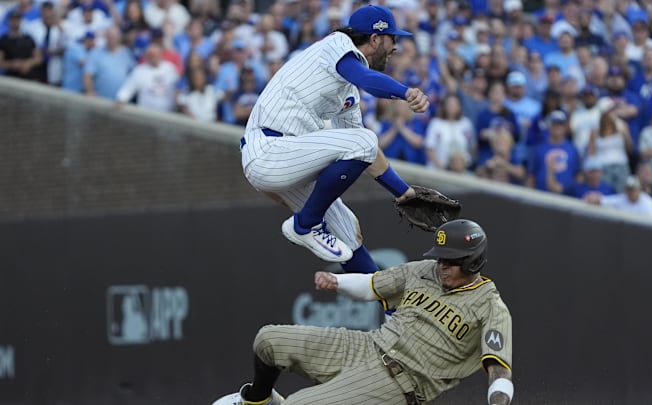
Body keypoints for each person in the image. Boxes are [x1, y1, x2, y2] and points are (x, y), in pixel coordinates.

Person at [211, 219, 514, 405]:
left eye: (450, 261)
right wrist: (338, 282)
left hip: (400, 380)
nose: (441, 265)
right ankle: (258, 401)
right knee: (269, 340)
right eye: (440, 258)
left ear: (473, 262)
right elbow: (373, 285)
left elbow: (499, 369)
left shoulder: (490, 306)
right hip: (368, 346)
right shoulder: (425, 271)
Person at [239, 5, 429, 268]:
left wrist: (404, 193)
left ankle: (391, 308)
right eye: (392, 38)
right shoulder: (336, 44)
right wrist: (405, 92)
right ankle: (306, 224)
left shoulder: (348, 90)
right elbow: (365, 78)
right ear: (375, 39)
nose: (395, 45)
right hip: (269, 148)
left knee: (348, 232)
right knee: (365, 141)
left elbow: (365, 150)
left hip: (291, 159)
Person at [584, 175, 652, 218]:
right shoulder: (623, 198)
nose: (631, 192)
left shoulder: (648, 203)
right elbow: (604, 200)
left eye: (634, 189)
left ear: (639, 190)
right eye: (629, 189)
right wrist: (593, 198)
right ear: (625, 190)